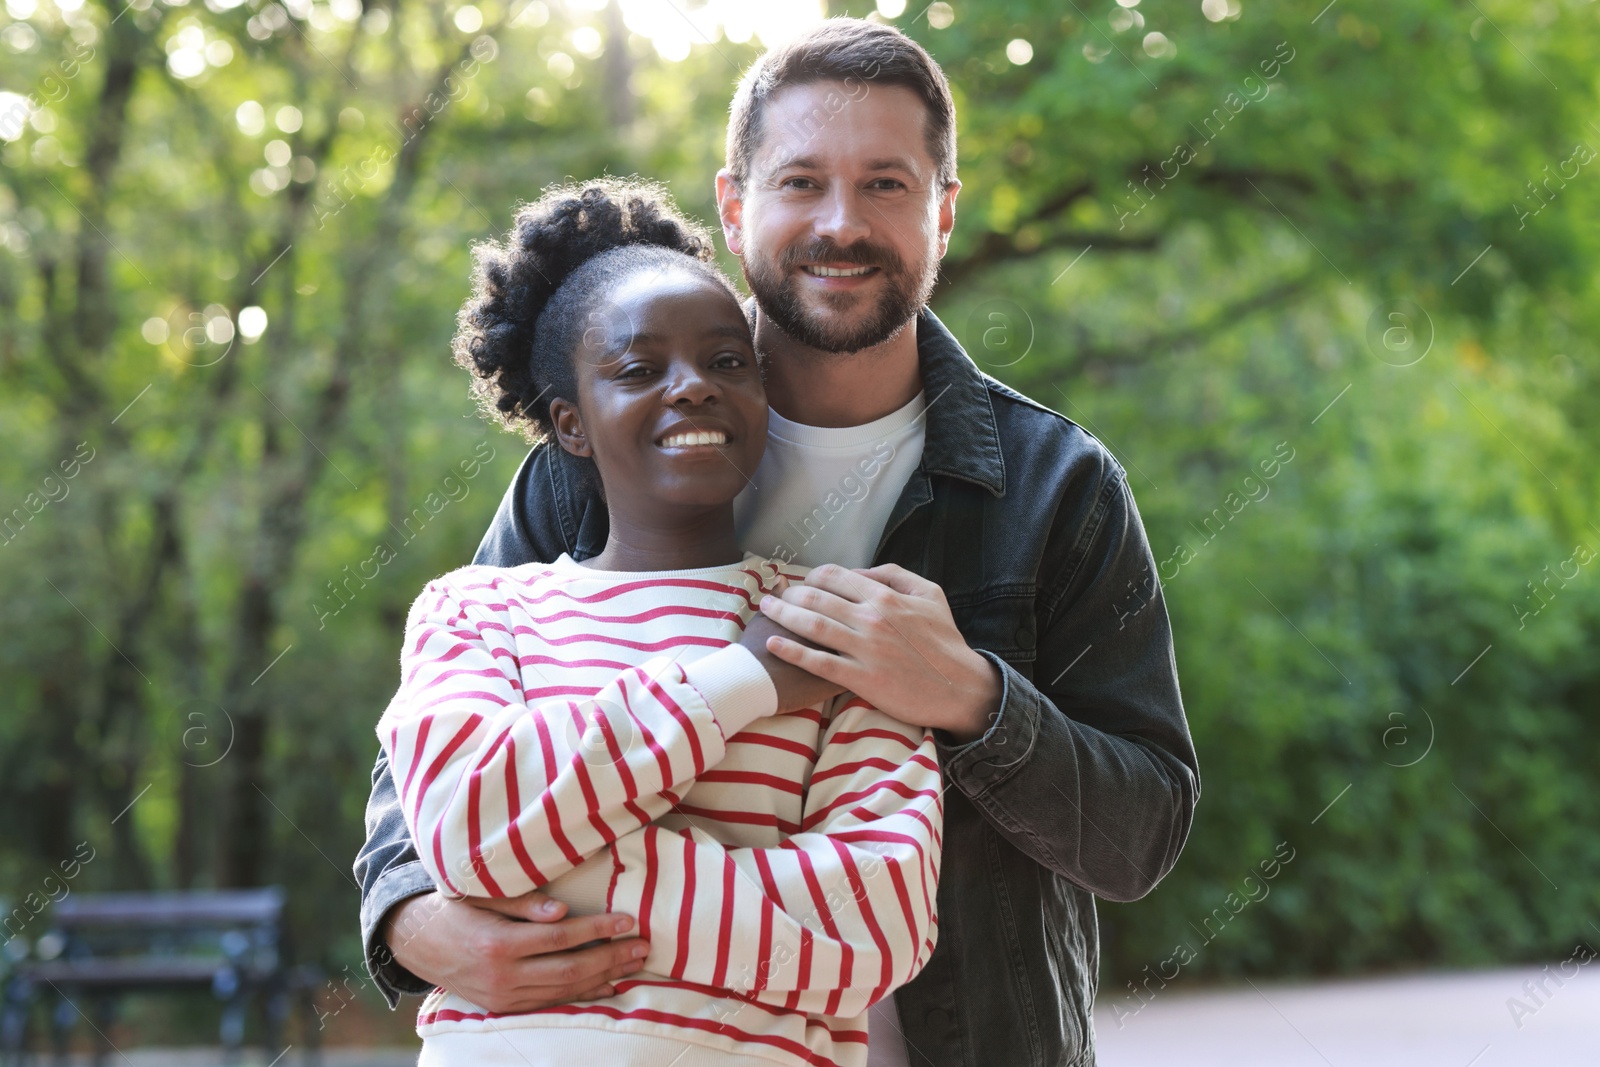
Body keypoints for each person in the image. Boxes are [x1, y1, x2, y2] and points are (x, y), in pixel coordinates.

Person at [357, 18, 1200, 1067]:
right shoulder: (593, 464)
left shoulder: (1056, 485)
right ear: (734, 203)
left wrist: (973, 698)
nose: (840, 223)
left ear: (943, 210)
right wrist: (409, 920)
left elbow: (1142, 831)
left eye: (885, 185)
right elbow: (434, 756)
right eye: (800, 181)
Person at [379, 179, 942, 1066]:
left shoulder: (835, 625)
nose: (692, 389)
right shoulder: (477, 611)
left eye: (728, 361)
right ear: (570, 423)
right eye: (640, 370)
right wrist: (743, 680)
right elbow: (459, 826)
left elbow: (878, 924)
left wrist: (550, 864)